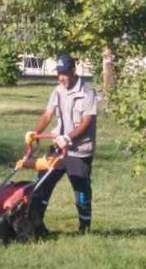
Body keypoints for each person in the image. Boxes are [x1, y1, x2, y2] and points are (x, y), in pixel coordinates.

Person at [29, 54, 98, 233]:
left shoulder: (87, 93)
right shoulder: (58, 91)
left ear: (73, 71)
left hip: (79, 151)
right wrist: (35, 133)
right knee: (42, 183)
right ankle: (35, 224)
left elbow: (86, 122)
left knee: (81, 191)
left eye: (64, 73)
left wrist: (67, 137)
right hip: (59, 149)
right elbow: (47, 115)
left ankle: (84, 228)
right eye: (59, 73)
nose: (61, 77)